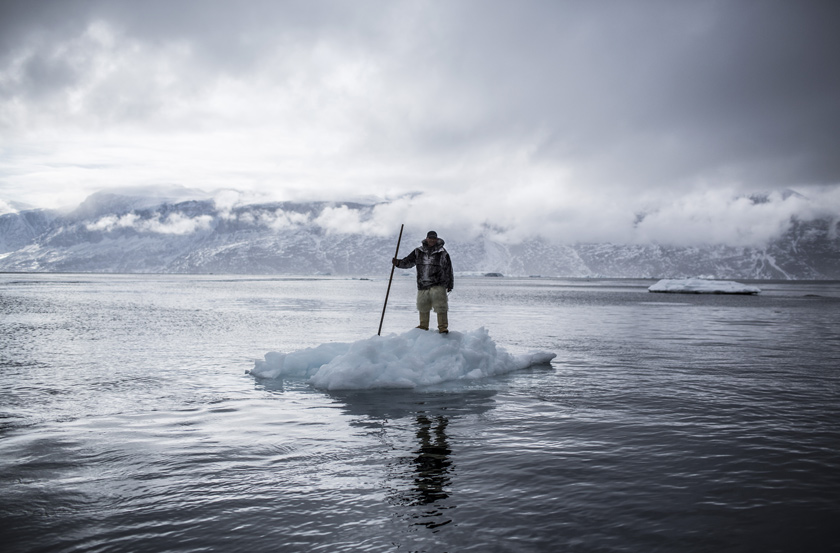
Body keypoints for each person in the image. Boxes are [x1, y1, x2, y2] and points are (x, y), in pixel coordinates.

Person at [393, 230, 454, 333]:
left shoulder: (443, 253)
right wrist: (398, 263)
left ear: (437, 239)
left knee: (441, 306)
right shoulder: (418, 251)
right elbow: (408, 262)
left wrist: (450, 284)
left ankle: (443, 327)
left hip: (438, 284)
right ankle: (423, 326)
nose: (432, 240)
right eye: (430, 238)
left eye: (434, 238)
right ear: (427, 239)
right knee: (423, 306)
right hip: (422, 284)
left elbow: (448, 269)